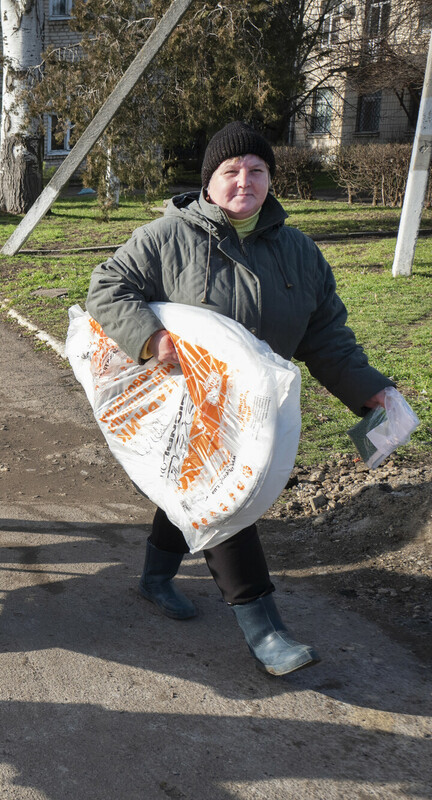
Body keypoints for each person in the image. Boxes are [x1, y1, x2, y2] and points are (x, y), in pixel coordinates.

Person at [86, 121, 395, 677]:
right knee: (222, 502)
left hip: (258, 412)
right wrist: (152, 340)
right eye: (231, 171)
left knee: (194, 495)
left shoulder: (299, 252)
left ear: (271, 178)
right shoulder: (167, 237)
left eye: (256, 170)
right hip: (189, 406)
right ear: (209, 182)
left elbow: (325, 337)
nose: (244, 180)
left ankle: (155, 578)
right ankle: (265, 628)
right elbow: (107, 287)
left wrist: (367, 391)